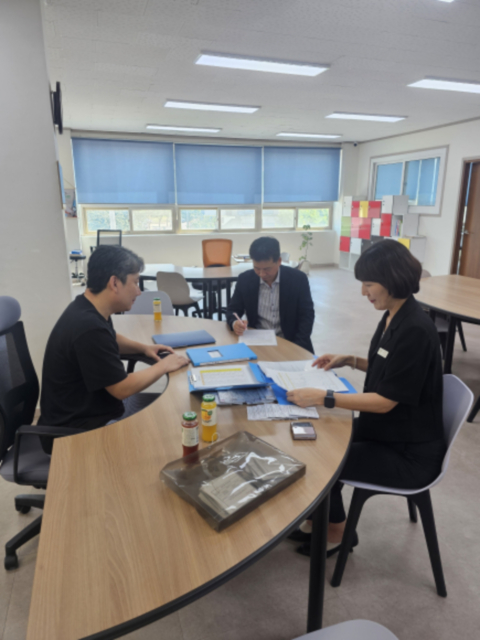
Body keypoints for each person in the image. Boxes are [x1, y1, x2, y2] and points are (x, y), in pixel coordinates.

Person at [286, 240, 446, 556]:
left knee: (323, 460)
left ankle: (338, 533)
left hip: (409, 452)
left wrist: (324, 397)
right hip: (389, 430)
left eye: (369, 284)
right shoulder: (394, 315)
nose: (363, 292)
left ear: (393, 280)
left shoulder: (415, 328)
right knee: (317, 438)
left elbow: (386, 401)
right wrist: (351, 360)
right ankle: (321, 519)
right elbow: (393, 368)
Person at [38, 245, 189, 452]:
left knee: (168, 413)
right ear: (115, 283)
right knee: (170, 430)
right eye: (135, 282)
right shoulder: (88, 327)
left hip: (87, 414)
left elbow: (110, 337)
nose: (139, 291)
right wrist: (164, 366)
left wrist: (144, 348)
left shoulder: (86, 308)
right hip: (76, 433)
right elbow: (121, 389)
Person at [226, 236, 315, 352]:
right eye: (257, 268)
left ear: (279, 261)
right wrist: (234, 323)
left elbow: (307, 315)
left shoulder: (298, 279)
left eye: (267, 269)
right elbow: (232, 310)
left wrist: (296, 347)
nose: (262, 274)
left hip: (291, 341)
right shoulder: (245, 279)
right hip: (258, 343)